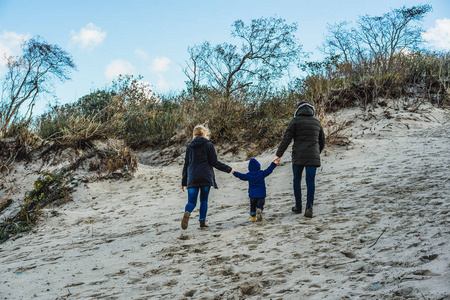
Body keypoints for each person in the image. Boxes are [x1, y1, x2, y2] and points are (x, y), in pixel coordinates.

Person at [276, 102, 325, 218]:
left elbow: (286, 139)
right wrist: (316, 152)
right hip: (313, 156)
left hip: (298, 156)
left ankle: (298, 206)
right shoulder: (316, 122)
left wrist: (279, 154)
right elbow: (322, 141)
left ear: (298, 110)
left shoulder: (295, 121)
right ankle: (309, 206)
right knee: (310, 181)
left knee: (297, 179)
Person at [181, 125, 233, 230]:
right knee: (203, 200)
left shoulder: (190, 146)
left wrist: (183, 181)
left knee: (191, 202)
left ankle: (188, 212)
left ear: (194, 134)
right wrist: (229, 169)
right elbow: (214, 162)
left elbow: (186, 164)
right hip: (205, 177)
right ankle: (202, 223)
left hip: (192, 177)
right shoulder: (209, 145)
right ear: (205, 133)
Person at [232, 157, 280, 222]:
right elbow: (269, 170)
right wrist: (274, 163)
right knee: (260, 204)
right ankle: (259, 210)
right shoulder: (261, 173)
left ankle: (253, 217)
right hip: (261, 193)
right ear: (258, 166)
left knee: (252, 205)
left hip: (252, 194)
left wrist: (234, 172)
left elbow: (241, 176)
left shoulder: (248, 175)